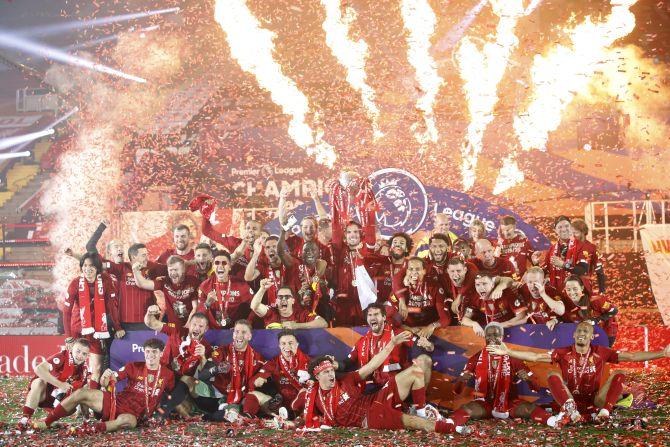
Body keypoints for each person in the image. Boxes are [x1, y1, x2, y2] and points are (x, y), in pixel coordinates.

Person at [487, 321, 670, 424]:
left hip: (595, 400)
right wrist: (509, 352)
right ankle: (570, 409)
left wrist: (662, 353)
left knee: (620, 371)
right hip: (570, 400)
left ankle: (605, 412)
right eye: (579, 331)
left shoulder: (601, 351)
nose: (582, 333)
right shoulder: (563, 352)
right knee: (552, 374)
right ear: (574, 336)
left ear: (591, 337)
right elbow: (535, 356)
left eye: (586, 331)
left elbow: (631, 356)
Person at [298, 332, 468, 434]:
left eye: (331, 370)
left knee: (417, 371)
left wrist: (392, 343)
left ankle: (421, 410)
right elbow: (299, 409)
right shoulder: (312, 394)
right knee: (411, 422)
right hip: (369, 417)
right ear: (317, 377)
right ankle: (450, 429)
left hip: (375, 399)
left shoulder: (347, 379)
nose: (331, 374)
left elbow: (373, 364)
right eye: (326, 372)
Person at [35, 338, 175, 434]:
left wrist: (166, 412)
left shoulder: (168, 374)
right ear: (144, 352)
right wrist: (105, 377)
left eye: (154, 352)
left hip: (135, 414)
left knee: (128, 421)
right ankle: (48, 421)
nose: (150, 355)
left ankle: (94, 428)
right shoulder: (133, 366)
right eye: (148, 352)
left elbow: (173, 394)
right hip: (116, 402)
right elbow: (107, 383)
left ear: (161, 353)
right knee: (81, 393)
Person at [451, 323, 561, 428]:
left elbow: (536, 387)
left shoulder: (513, 357)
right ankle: (448, 424)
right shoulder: (475, 358)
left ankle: (553, 421)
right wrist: (461, 380)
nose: (492, 338)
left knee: (529, 408)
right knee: (467, 409)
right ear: (484, 337)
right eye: (489, 335)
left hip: (509, 403)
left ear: (502, 337)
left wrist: (528, 379)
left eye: (496, 335)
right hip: (483, 403)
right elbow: (457, 391)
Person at [63, 253, 122, 386]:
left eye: (92, 266)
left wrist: (118, 327)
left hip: (97, 332)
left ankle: (90, 400)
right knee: (74, 369)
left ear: (97, 268)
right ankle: (73, 400)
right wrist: (68, 337)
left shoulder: (106, 282)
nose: (88, 269)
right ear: (81, 267)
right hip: (77, 331)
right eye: (85, 266)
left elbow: (112, 308)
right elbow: (66, 312)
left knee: (96, 369)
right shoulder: (75, 283)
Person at [345, 303, 434, 389]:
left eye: (376, 314)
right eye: (370, 315)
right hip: (373, 387)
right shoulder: (361, 342)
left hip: (397, 383)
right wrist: (334, 364)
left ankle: (419, 402)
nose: (372, 317)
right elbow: (346, 363)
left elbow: (421, 346)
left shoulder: (398, 333)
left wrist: (429, 345)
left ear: (384, 317)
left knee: (425, 360)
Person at [196, 320, 265, 422]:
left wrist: (261, 379)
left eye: (243, 332)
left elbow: (262, 379)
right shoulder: (221, 351)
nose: (239, 335)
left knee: (254, 398)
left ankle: (224, 413)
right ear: (233, 334)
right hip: (220, 395)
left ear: (250, 336)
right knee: (193, 384)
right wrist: (217, 369)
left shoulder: (258, 358)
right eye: (236, 332)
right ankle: (226, 412)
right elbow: (202, 376)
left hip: (243, 397)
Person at [18, 339, 91, 431]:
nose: (80, 355)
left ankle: (50, 420)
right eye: (78, 351)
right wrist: (60, 384)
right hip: (46, 395)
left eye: (84, 354)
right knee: (39, 382)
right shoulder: (62, 357)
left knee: (83, 391)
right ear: (72, 348)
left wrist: (86, 419)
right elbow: (38, 369)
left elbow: (83, 395)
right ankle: (25, 419)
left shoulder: (84, 370)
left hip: (64, 405)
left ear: (88, 356)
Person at [246, 330, 311, 419]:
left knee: (306, 393)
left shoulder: (308, 361)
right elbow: (254, 381)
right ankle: (246, 418)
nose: (287, 346)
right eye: (283, 343)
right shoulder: (274, 362)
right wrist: (257, 380)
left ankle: (292, 414)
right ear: (279, 346)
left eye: (290, 343)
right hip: (280, 405)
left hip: (303, 404)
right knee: (253, 394)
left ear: (297, 344)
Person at [133, 256, 200, 328]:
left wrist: (188, 325)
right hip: (172, 326)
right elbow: (142, 284)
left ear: (183, 269)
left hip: (192, 325)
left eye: (176, 270)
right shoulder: (165, 281)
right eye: (170, 270)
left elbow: (195, 307)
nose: (173, 273)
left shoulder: (193, 281)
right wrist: (135, 271)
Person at [394, 257, 452, 339]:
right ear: (406, 271)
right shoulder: (399, 289)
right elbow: (390, 318)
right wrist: (409, 329)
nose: (414, 272)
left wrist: (431, 327)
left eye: (418, 269)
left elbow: (445, 318)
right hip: (408, 333)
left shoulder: (434, 287)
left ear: (424, 271)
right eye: (411, 269)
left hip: (431, 332)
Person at [197, 251, 254, 329]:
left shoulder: (241, 285)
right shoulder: (205, 286)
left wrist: (246, 323)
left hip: (235, 331)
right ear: (213, 266)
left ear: (230, 266)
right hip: (212, 330)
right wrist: (207, 303)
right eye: (217, 263)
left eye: (224, 263)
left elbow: (255, 307)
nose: (220, 266)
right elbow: (199, 314)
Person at [460, 273, 525, 336]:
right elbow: (465, 319)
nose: (481, 288)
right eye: (477, 285)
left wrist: (500, 325)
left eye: (484, 284)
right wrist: (474, 324)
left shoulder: (506, 293)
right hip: (495, 333)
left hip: (515, 329)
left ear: (492, 285)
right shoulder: (475, 298)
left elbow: (521, 317)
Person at [561, 275, 618, 346]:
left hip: (607, 331)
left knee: (601, 354)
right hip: (588, 333)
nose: (572, 293)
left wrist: (596, 320)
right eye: (568, 289)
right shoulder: (566, 303)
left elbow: (614, 310)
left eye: (575, 289)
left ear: (582, 288)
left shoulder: (596, 300)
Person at [536, 216, 588, 291]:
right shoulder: (551, 249)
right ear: (555, 230)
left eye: (567, 226)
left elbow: (584, 271)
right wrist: (536, 263)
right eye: (560, 227)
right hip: (556, 295)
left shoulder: (582, 247)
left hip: (575, 295)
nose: (563, 229)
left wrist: (564, 265)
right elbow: (545, 270)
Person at [250, 280, 328, 329]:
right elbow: (254, 306)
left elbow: (323, 323)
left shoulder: (301, 314)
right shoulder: (271, 312)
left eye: (287, 297)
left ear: (293, 301)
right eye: (280, 297)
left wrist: (297, 326)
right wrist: (262, 289)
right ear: (276, 301)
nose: (283, 299)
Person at [245, 236, 297, 309]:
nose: (271, 250)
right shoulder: (264, 265)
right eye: (267, 247)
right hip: (273, 310)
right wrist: (256, 254)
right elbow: (248, 277)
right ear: (265, 251)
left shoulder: (290, 262)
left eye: (274, 246)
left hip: (292, 309)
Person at [571, 219, 606, 293]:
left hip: (584, 288)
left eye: (576, 233)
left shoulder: (592, 248)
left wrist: (602, 291)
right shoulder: (569, 247)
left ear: (583, 232)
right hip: (569, 288)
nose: (573, 235)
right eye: (572, 233)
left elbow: (599, 271)